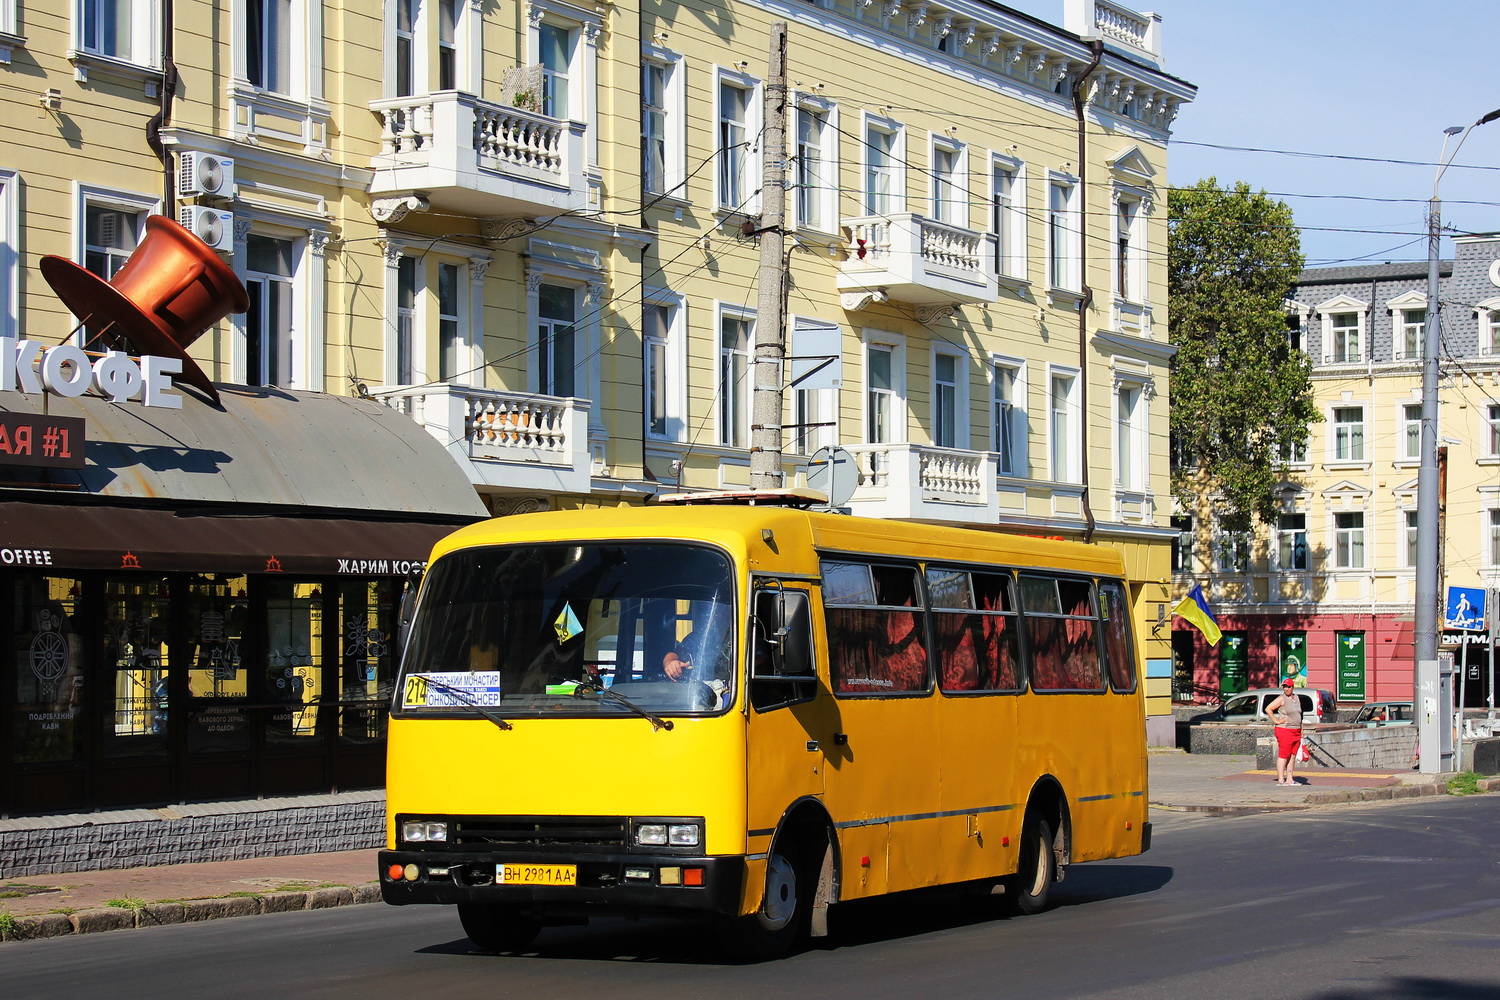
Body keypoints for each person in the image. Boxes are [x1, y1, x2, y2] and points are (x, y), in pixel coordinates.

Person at [1266, 677, 1304, 785]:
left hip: (1296, 730)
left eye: (1289, 687)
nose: (1286, 689)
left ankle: (1290, 779)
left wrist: (1301, 728)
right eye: (1285, 687)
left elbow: (1299, 714)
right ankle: (1281, 779)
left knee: (1292, 755)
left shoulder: (1296, 698)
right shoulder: (1281, 698)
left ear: (1293, 687)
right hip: (1285, 730)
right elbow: (1268, 709)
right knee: (1284, 755)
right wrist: (1276, 720)